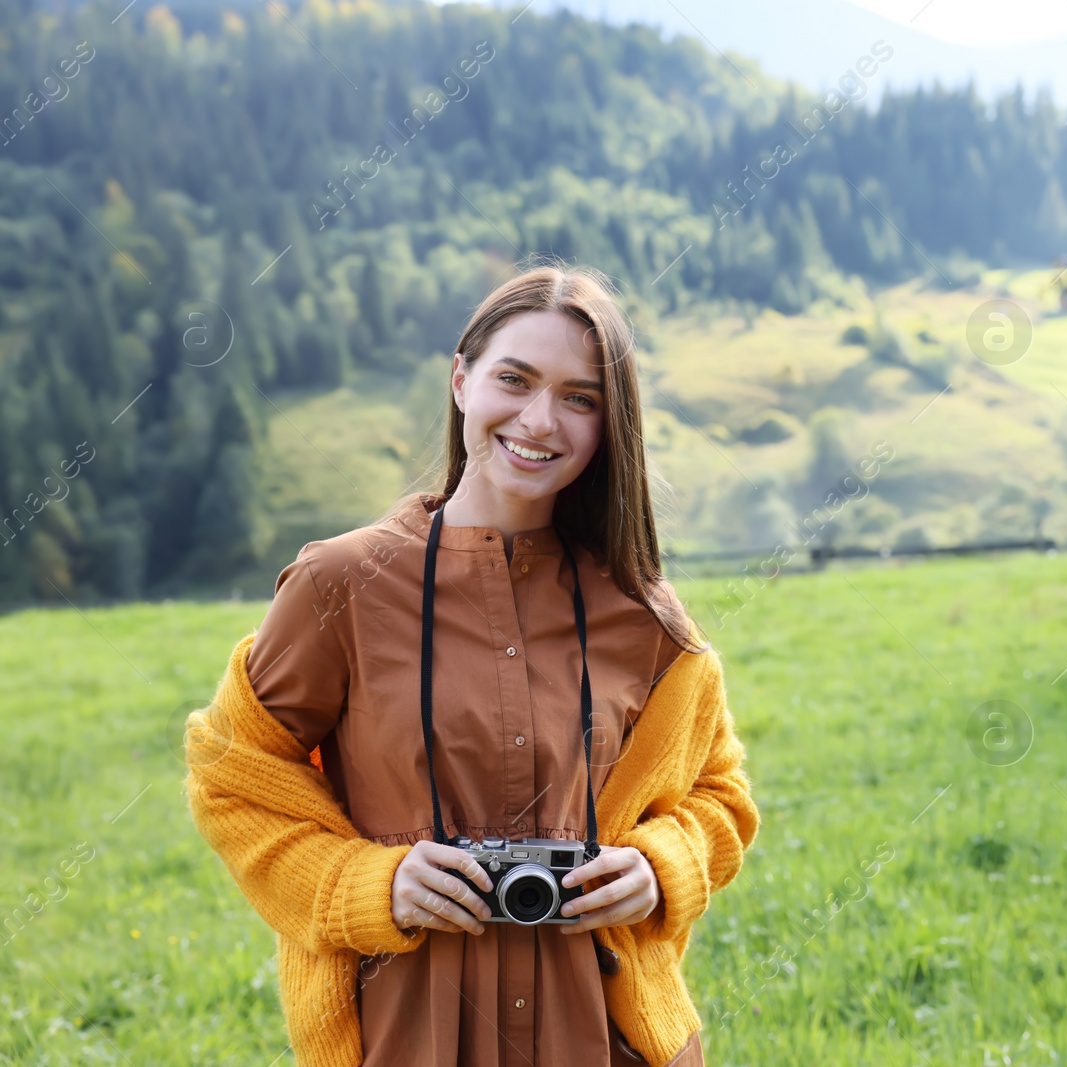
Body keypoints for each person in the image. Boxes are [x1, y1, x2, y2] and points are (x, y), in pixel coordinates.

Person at [185, 262, 759, 1066]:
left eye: (579, 397)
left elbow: (719, 793)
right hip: (403, 1036)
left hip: (608, 1037)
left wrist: (662, 865)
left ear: (607, 426)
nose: (540, 419)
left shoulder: (643, 609)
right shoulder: (337, 586)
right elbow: (232, 776)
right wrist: (368, 883)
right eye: (514, 379)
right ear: (461, 380)